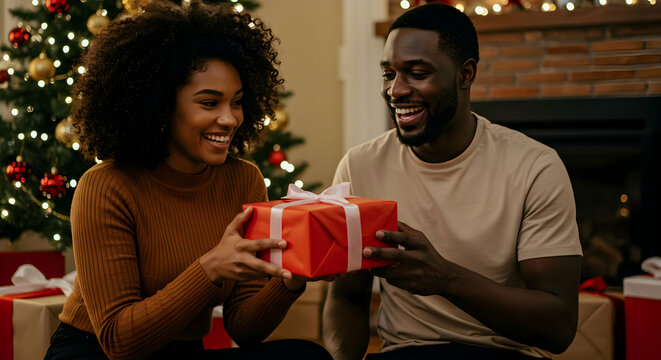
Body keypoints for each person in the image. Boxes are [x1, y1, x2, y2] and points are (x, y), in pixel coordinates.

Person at [45, 2, 332, 359]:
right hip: (94, 352)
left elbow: (243, 328)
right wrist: (210, 268)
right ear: (161, 106)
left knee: (305, 356)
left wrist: (292, 279)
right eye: (209, 103)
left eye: (237, 102)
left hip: (180, 351)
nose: (229, 119)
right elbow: (119, 340)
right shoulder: (106, 185)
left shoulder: (244, 179)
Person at [322, 3, 582, 360]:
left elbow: (559, 326)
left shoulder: (534, 166)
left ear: (465, 74)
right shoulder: (360, 165)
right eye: (388, 74)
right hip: (406, 352)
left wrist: (445, 278)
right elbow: (347, 298)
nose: (396, 90)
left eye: (416, 72)